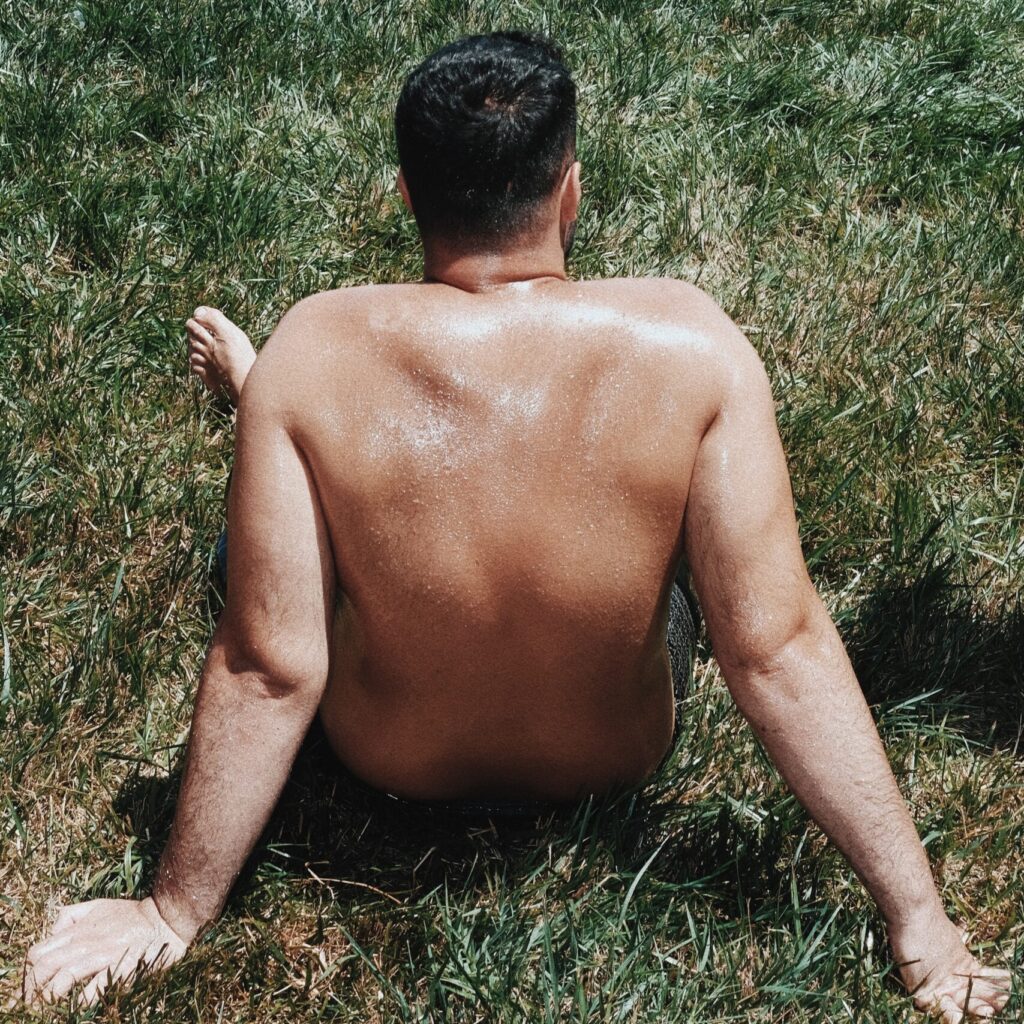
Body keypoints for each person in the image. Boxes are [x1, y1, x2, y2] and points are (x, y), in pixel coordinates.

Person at [23, 31, 1010, 1022]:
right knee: (667, 541)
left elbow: (270, 665)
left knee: (258, 546)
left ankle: (277, 428)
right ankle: (303, 437)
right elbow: (777, 647)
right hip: (610, 755)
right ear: (570, 190)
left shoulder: (314, 340)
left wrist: (174, 906)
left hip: (390, 759)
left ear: (406, 196)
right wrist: (919, 921)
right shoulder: (691, 342)